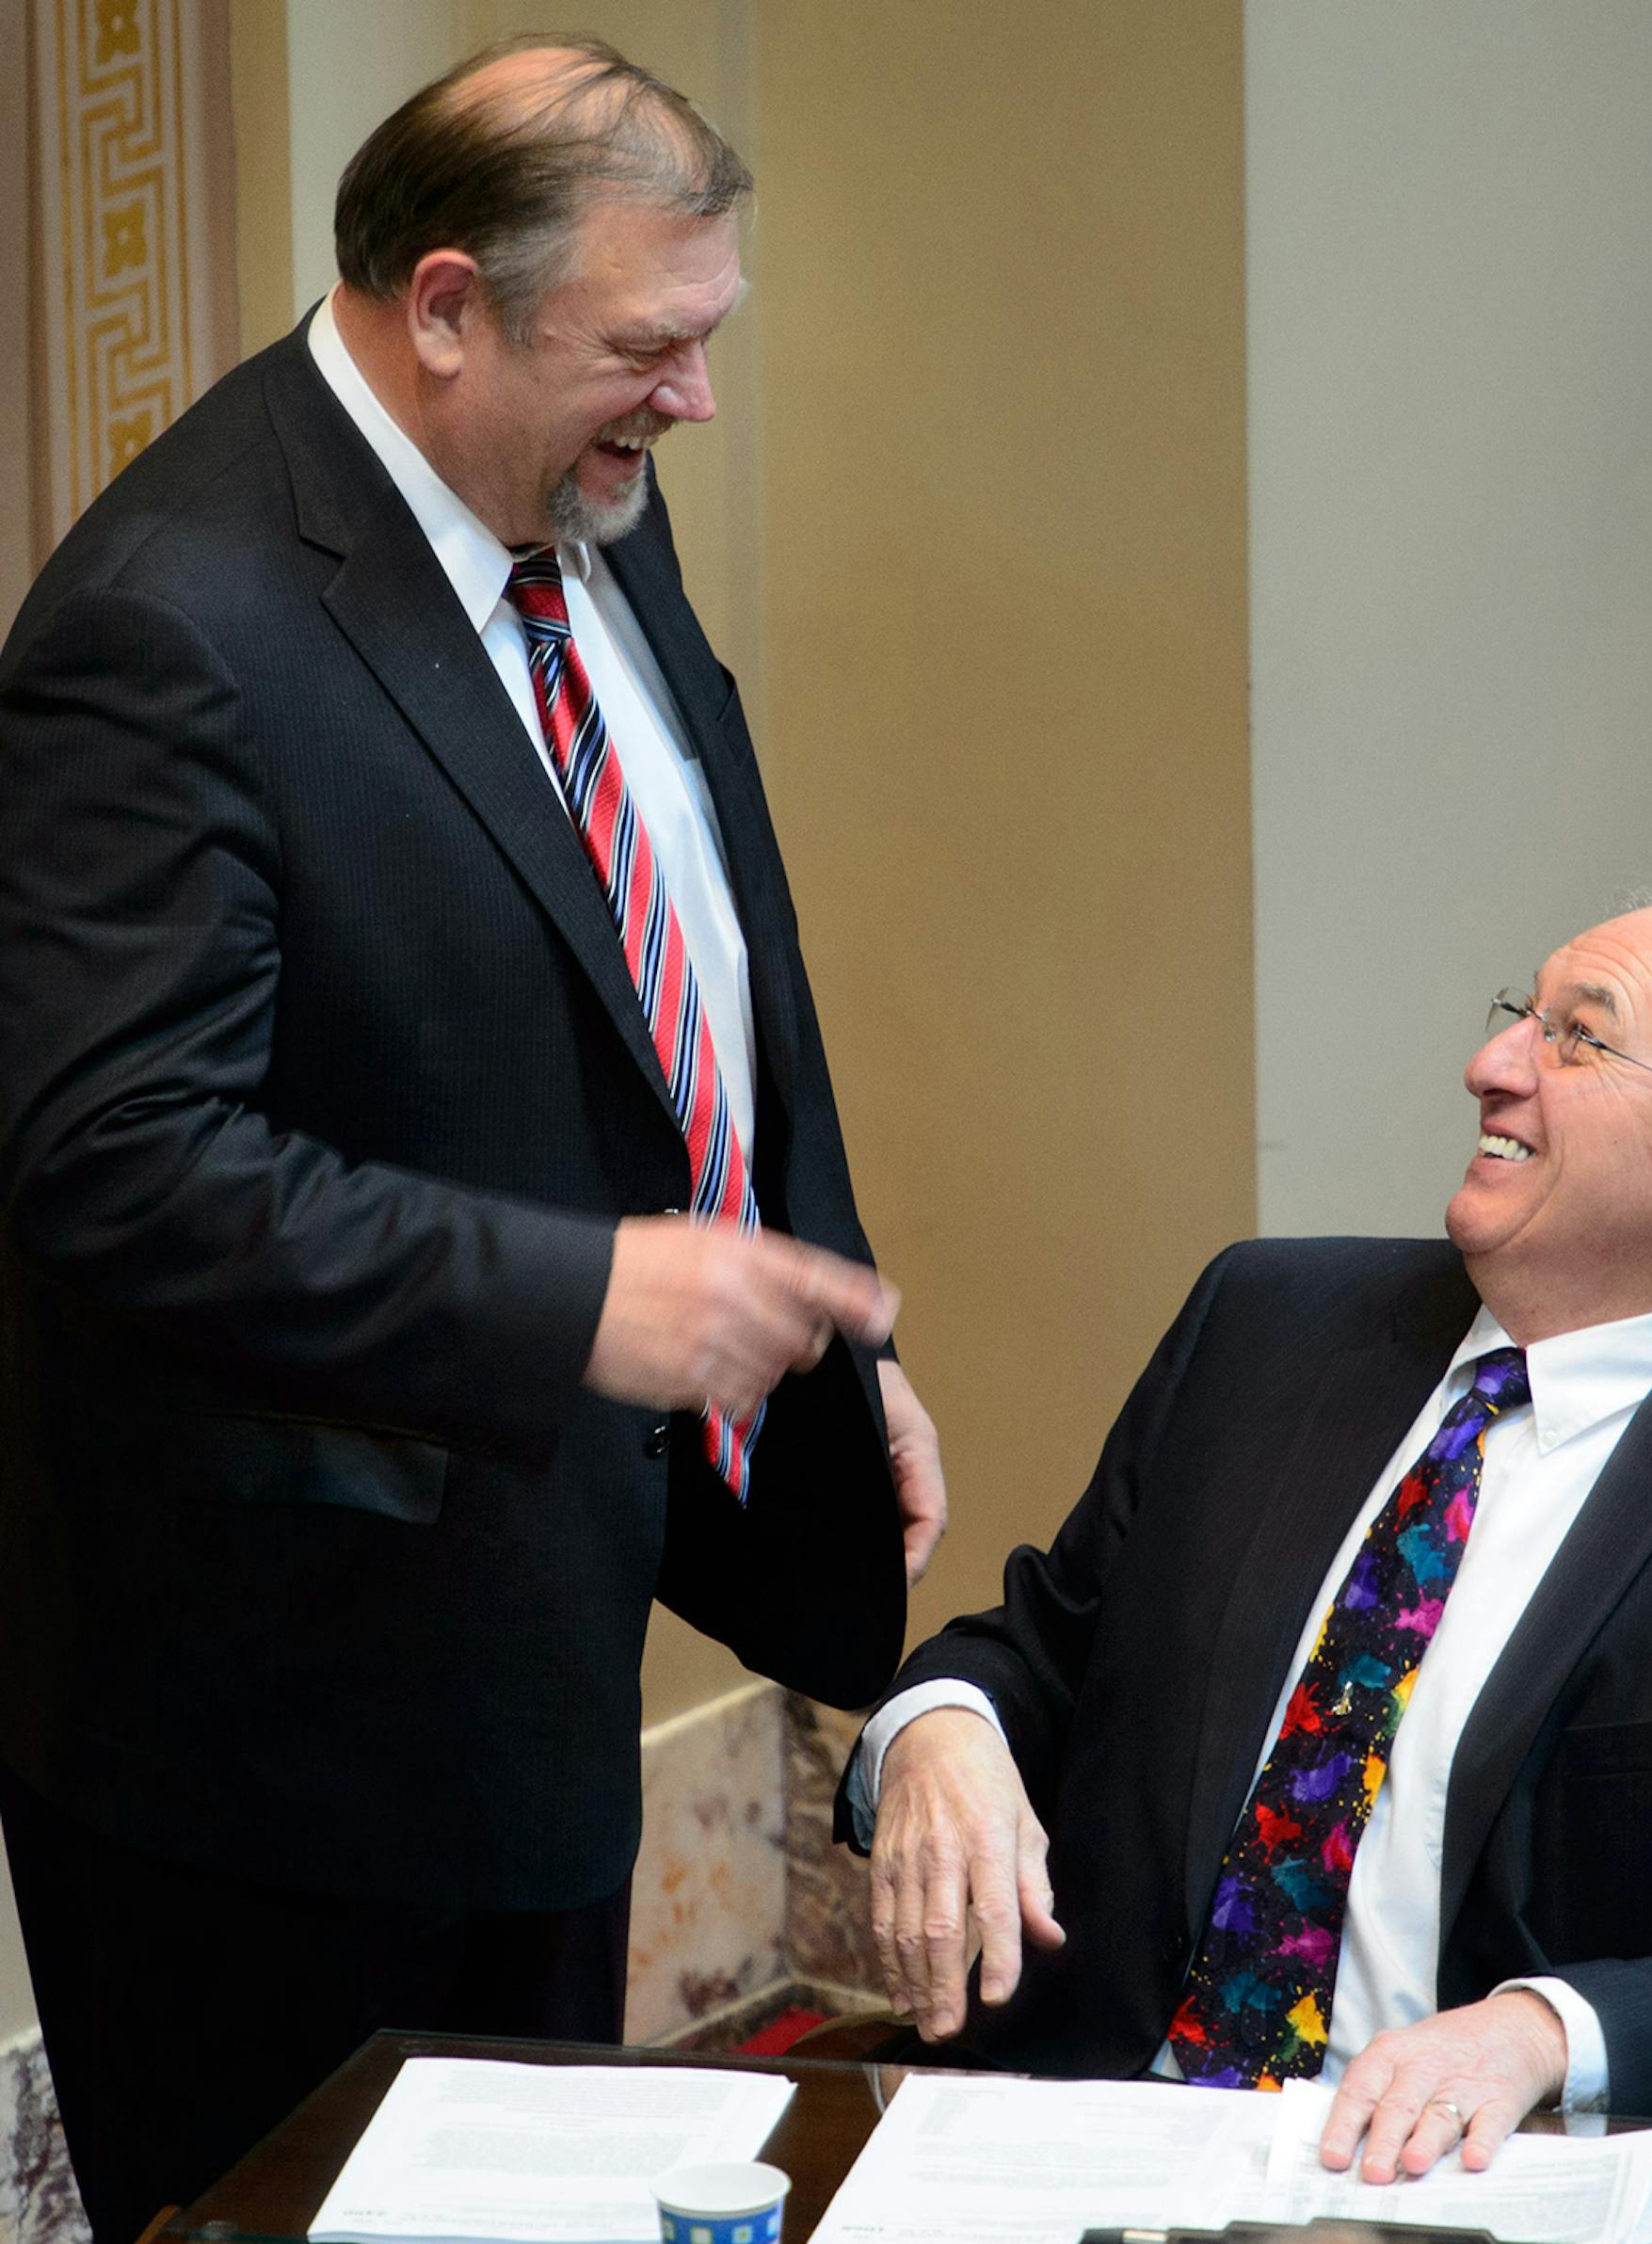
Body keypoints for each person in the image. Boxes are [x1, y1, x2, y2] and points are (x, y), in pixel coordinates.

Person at [0, 37, 942, 2239]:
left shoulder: (579, 489)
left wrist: (822, 1309)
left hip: (531, 1627)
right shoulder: (167, 624)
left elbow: (700, 929)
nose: (692, 399)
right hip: (271, 1733)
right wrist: (581, 1293)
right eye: (649, 346)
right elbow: (113, 1161)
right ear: (446, 306)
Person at [845, 893, 1652, 2182]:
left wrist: (1536, 2033)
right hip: (1086, 2124)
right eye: (1520, 1017)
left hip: (1434, 2180)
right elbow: (1049, 1651)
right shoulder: (1266, 1325)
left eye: (1576, 1039)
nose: (1490, 1065)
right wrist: (938, 1729)